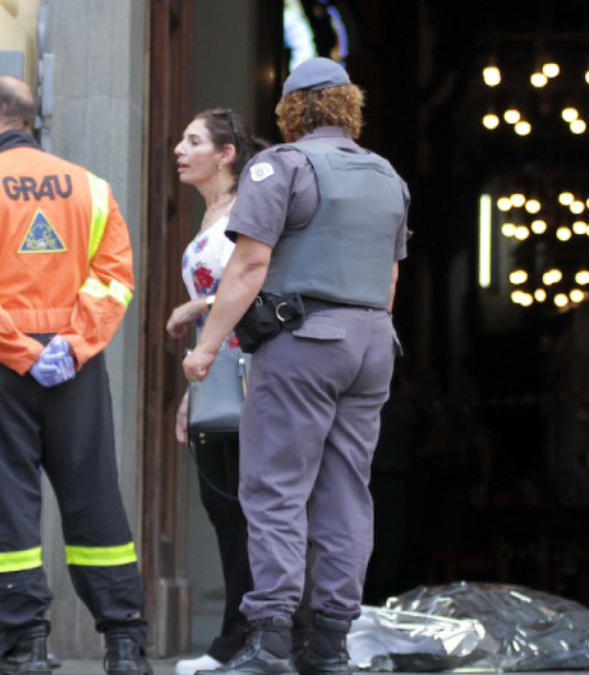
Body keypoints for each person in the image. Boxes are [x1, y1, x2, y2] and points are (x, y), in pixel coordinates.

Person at [183, 58, 410, 675]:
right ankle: (330, 644)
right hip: (371, 343)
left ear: (291, 111)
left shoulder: (280, 165)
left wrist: (206, 348)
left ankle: (271, 639)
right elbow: (389, 278)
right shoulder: (387, 176)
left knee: (276, 489)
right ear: (347, 106)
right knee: (344, 492)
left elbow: (250, 266)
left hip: (303, 343)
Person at [0, 76, 151, 675]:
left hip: (0, 366)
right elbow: (114, 280)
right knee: (95, 495)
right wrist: (73, 346)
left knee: (7, 502)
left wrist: (23, 353)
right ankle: (126, 643)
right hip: (75, 367)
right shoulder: (93, 189)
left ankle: (25, 646)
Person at [166, 109, 263, 675]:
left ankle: (249, 639)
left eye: (194, 140)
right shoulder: (212, 217)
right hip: (215, 379)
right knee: (223, 510)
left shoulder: (249, 212)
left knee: (251, 511)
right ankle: (237, 637)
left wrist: (200, 305)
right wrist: (190, 394)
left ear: (226, 154)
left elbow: (258, 279)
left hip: (251, 378)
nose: (180, 148)